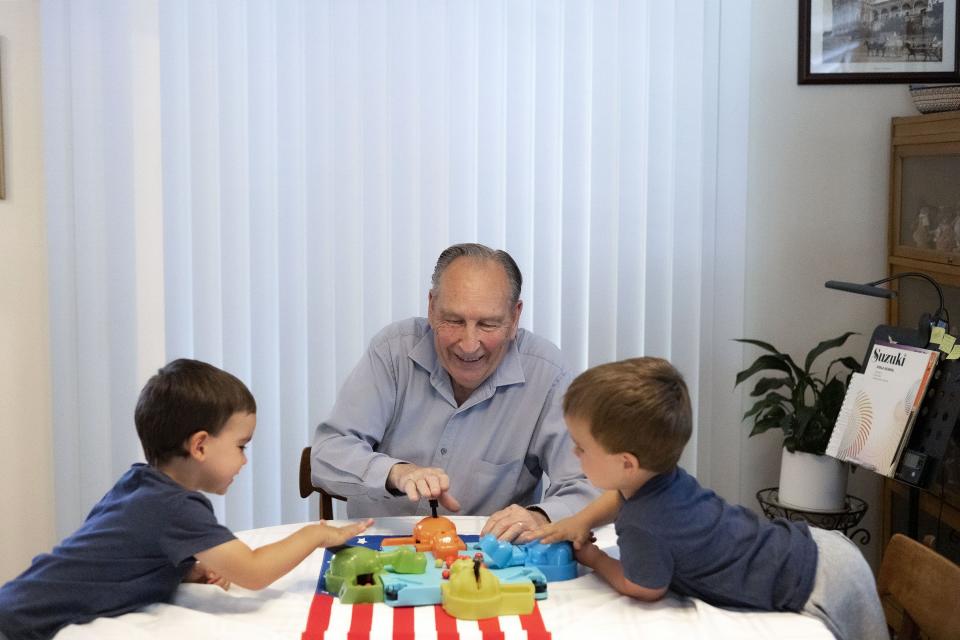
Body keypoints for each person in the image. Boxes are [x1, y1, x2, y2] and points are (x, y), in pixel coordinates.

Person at [0, 359, 372, 640]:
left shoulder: (139, 484)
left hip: (16, 605)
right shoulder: (174, 506)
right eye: (241, 446)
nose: (244, 460)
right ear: (199, 445)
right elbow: (254, 572)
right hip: (26, 626)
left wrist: (181, 568)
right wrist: (316, 535)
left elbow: (119, 555)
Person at [523, 357, 888, 640]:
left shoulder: (645, 527)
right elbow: (620, 496)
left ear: (626, 463)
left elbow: (644, 586)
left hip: (819, 579)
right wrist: (580, 520)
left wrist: (594, 556)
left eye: (582, 447)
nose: (573, 453)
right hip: (817, 548)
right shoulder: (659, 477)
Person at [311, 243, 597, 540]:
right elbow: (327, 453)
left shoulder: (548, 373)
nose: (469, 344)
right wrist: (397, 473)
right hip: (381, 550)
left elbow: (588, 483)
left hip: (490, 560)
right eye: (454, 321)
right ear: (432, 308)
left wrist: (539, 517)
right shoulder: (392, 351)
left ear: (514, 318)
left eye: (487, 324)